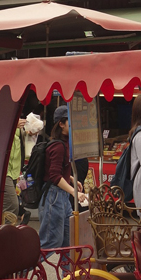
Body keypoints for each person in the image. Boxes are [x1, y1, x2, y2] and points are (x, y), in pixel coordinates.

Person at [38, 105, 84, 251]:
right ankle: (23, 270)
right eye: (70, 122)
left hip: (61, 197)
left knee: (67, 241)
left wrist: (70, 178)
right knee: (50, 242)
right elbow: (54, 176)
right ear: (61, 124)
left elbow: (58, 170)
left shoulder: (65, 143)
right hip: (54, 197)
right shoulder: (58, 146)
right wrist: (73, 192)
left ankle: (67, 274)